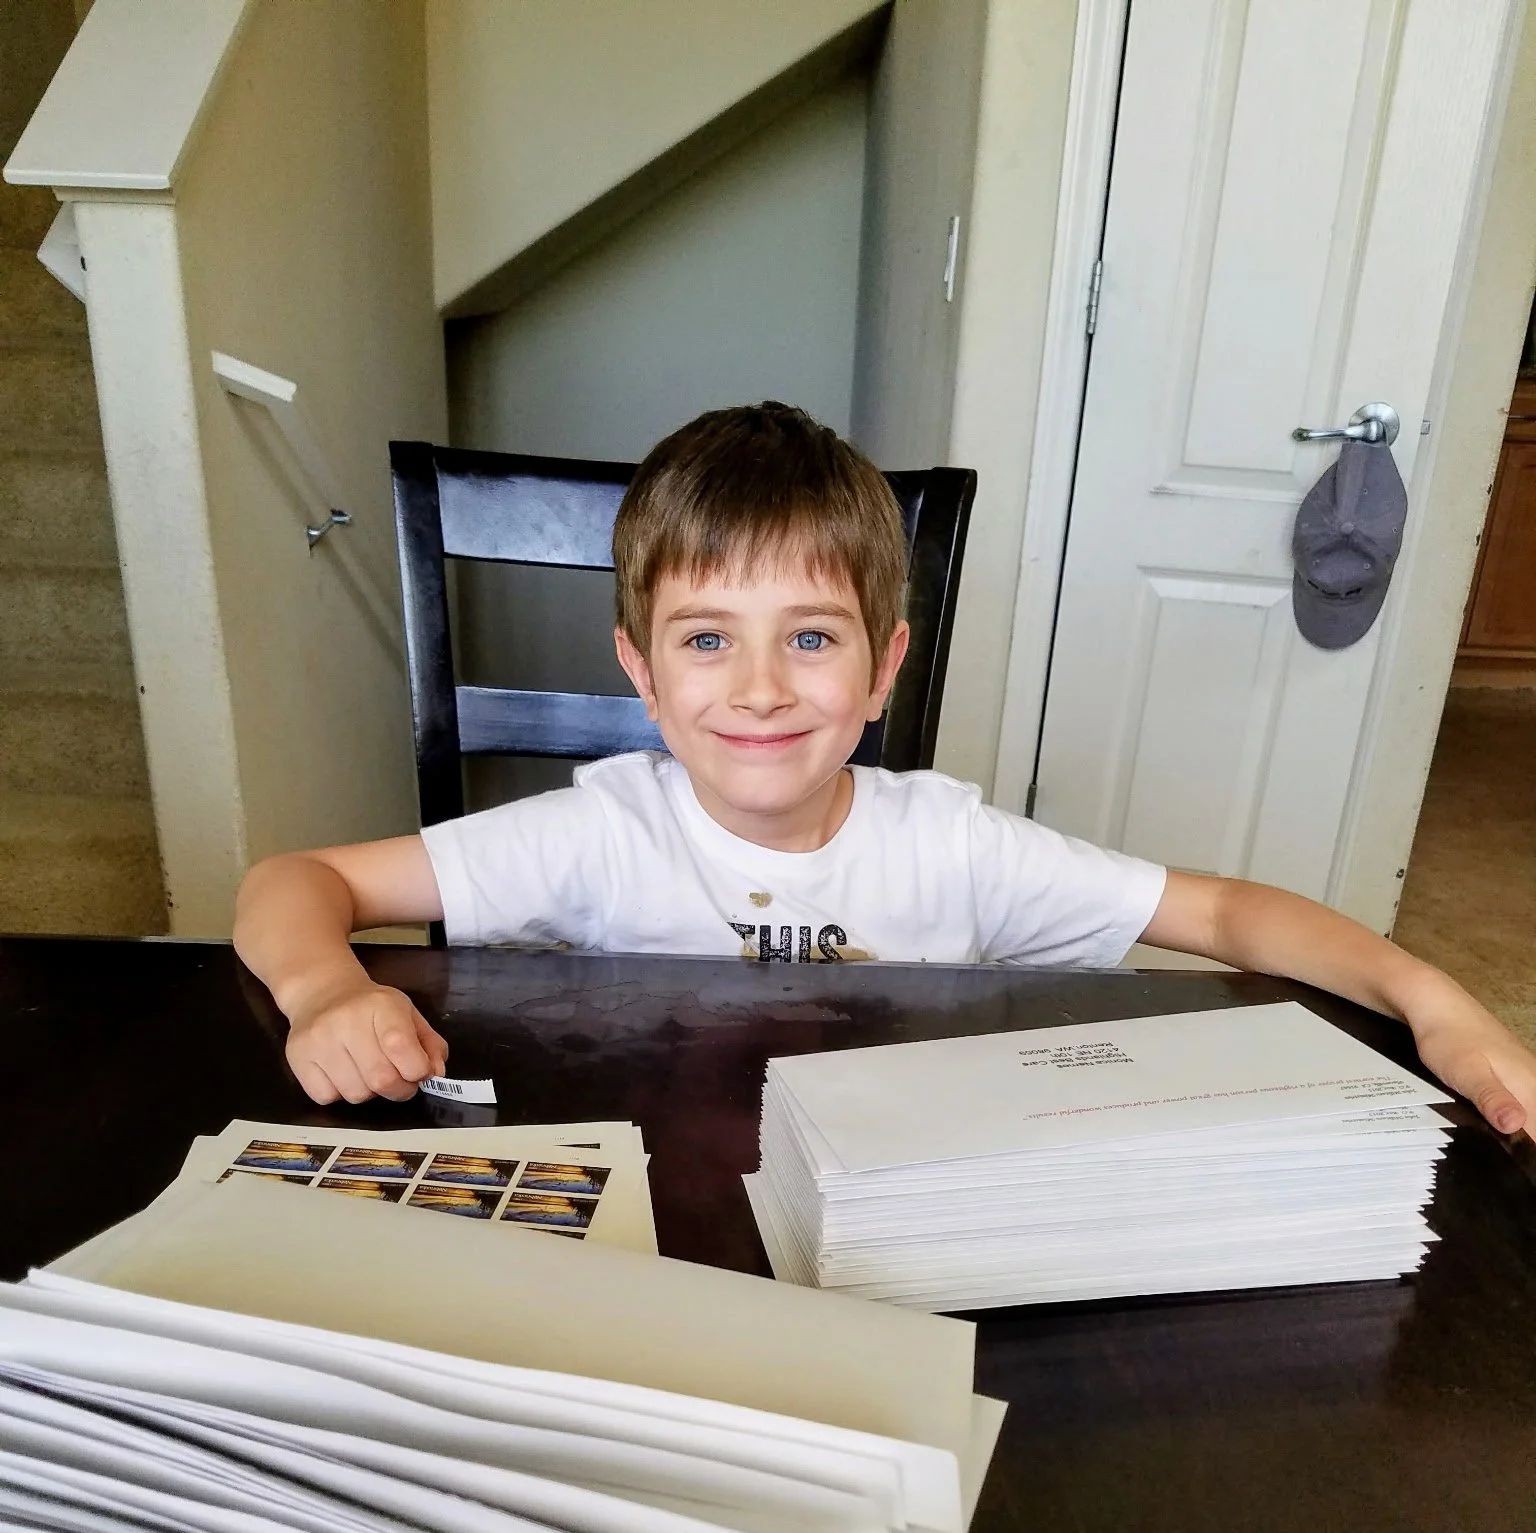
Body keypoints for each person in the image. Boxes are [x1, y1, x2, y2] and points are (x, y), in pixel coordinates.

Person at [234, 402, 1536, 1133]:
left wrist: (1431, 995)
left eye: (810, 637)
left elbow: (1221, 913)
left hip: (894, 1206)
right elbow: (295, 882)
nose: (757, 688)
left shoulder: (949, 846)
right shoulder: (596, 833)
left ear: (883, 667)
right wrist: (320, 993)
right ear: (640, 667)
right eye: (706, 640)